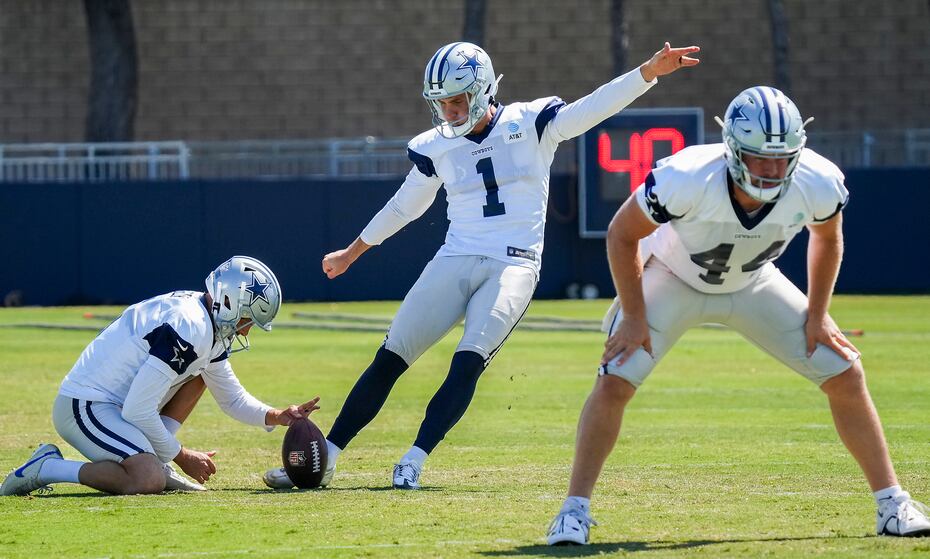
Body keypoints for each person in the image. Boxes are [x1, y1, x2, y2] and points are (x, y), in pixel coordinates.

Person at [262, 40, 700, 491]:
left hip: (513, 263)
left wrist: (647, 72)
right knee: (390, 357)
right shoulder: (436, 147)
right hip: (455, 257)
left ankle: (415, 457)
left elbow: (593, 108)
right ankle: (328, 456)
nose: (449, 112)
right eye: (441, 104)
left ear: (484, 89)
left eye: (456, 101)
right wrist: (352, 252)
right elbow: (403, 207)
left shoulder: (532, 122)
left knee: (466, 361)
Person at [545, 87, 930, 544]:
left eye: (782, 158)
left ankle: (892, 503)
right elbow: (620, 234)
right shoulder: (687, 175)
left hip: (752, 283)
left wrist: (819, 314)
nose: (771, 170)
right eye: (759, 158)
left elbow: (827, 238)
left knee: (845, 371)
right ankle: (572, 512)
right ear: (732, 149)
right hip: (672, 276)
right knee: (615, 378)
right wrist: (634, 314)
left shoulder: (818, 180)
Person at [1, 256, 320, 496]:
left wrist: (279, 416)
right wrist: (181, 455)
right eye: (248, 318)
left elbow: (231, 397)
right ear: (228, 301)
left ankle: (154, 457)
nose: (248, 329)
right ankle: (46, 468)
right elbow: (138, 409)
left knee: (201, 375)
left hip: (120, 406)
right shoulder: (190, 325)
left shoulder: (207, 322)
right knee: (146, 479)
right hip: (86, 404)